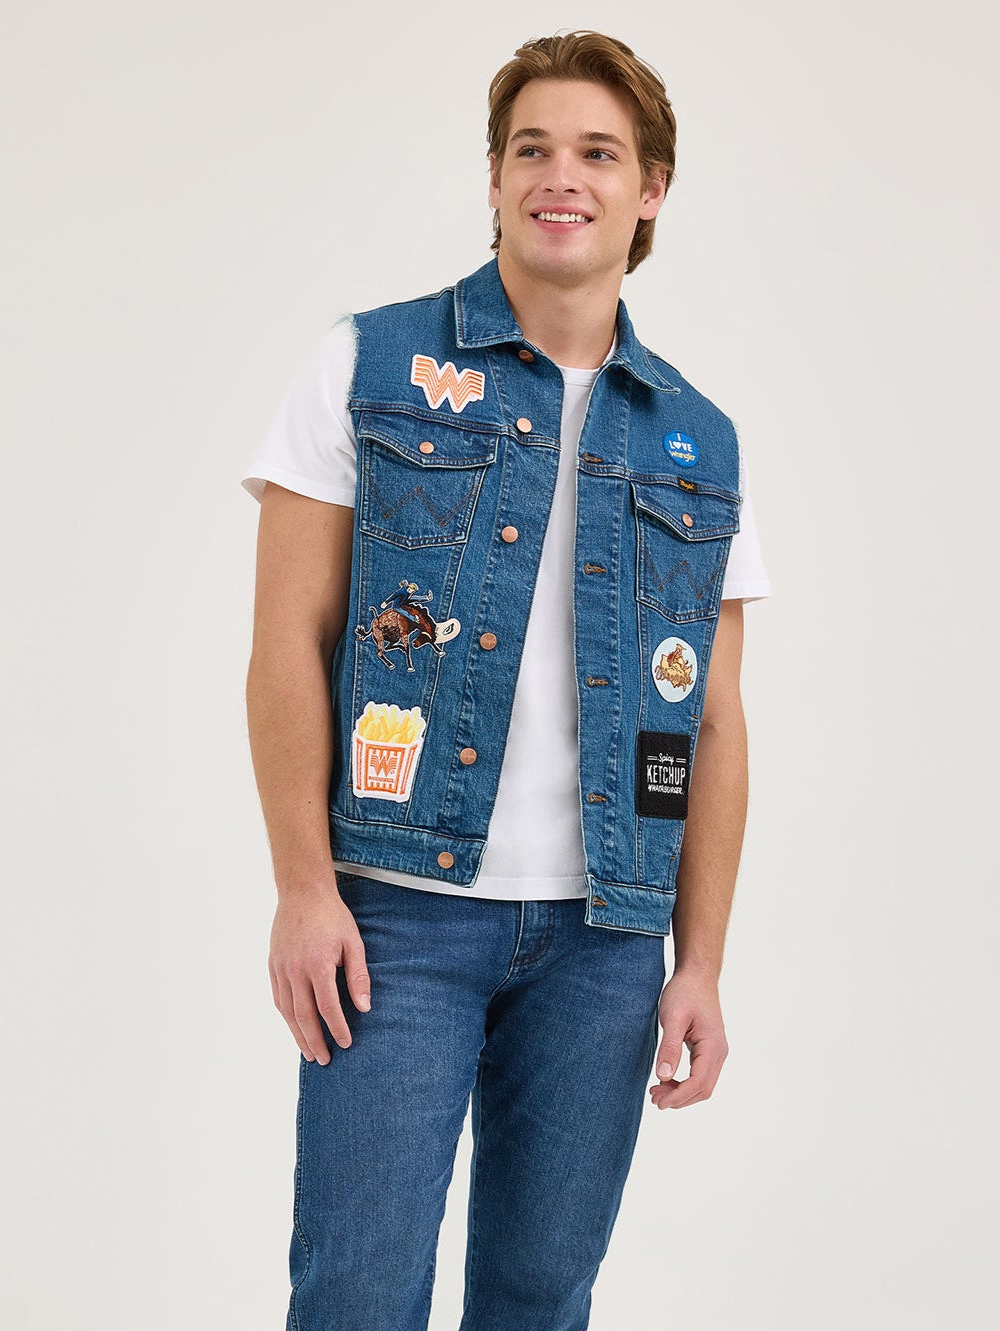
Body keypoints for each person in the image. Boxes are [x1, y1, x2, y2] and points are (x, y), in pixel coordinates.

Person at [243, 30, 772, 1330]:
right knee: (357, 1294)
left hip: (605, 941)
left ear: (650, 190)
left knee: (540, 1298)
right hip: (397, 920)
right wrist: (304, 887)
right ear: (493, 178)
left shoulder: (699, 440)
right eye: (531, 148)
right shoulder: (370, 366)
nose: (561, 176)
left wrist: (698, 960)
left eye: (599, 153)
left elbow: (710, 722)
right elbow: (287, 643)